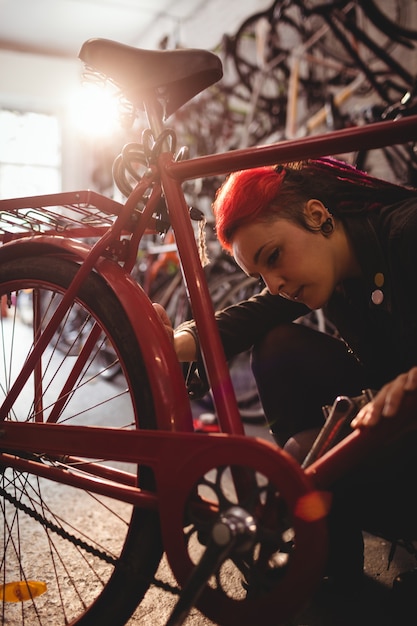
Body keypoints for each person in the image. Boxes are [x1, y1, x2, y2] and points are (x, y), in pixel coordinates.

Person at [153, 157, 417, 598]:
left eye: (273, 257)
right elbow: (252, 313)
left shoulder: (406, 233)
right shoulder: (323, 268)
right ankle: (328, 550)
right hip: (396, 426)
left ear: (317, 215)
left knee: (304, 454)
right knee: (278, 346)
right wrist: (177, 340)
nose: (273, 284)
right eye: (260, 274)